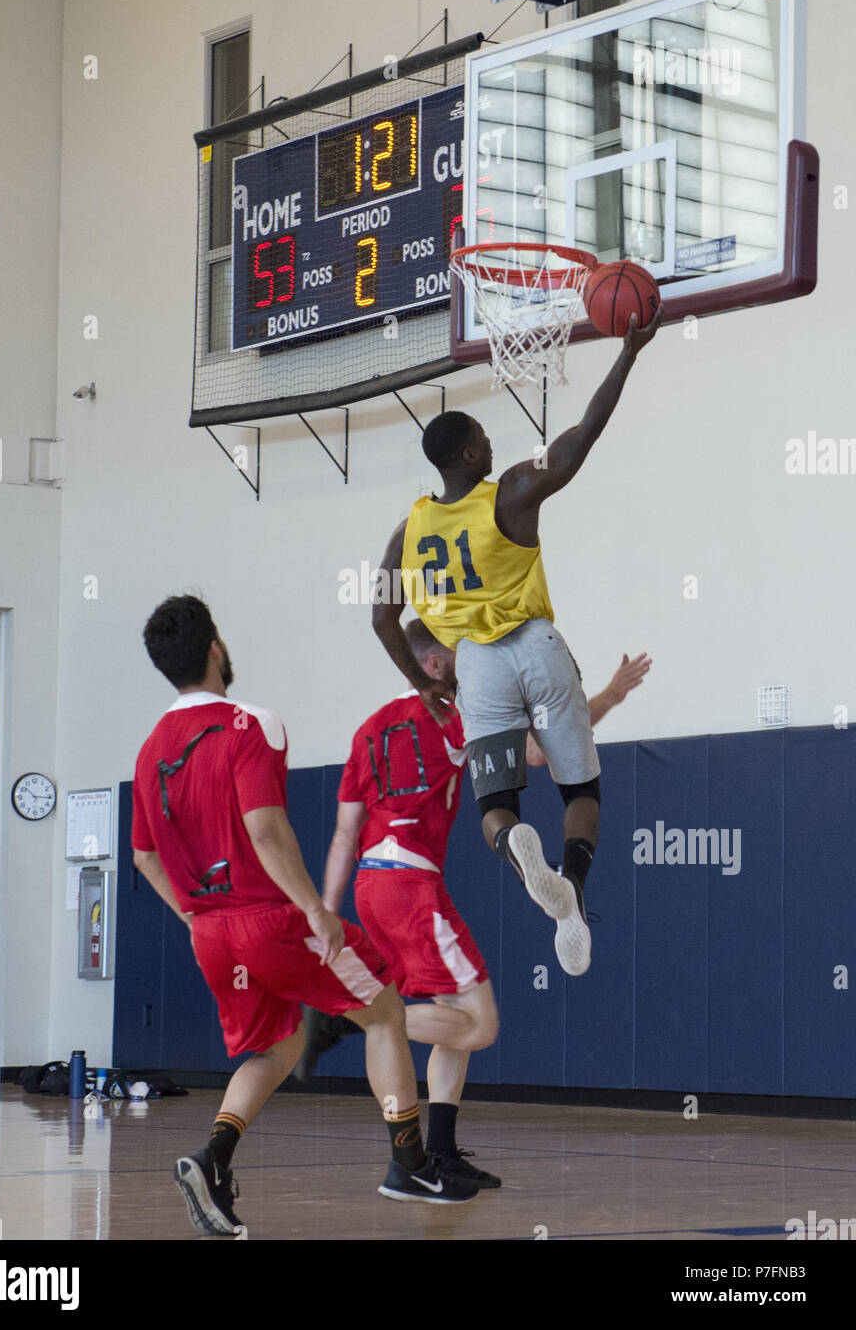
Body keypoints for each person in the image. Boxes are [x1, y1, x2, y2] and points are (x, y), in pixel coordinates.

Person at [131, 595, 479, 1236]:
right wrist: (314, 909)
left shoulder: (151, 747)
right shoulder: (251, 723)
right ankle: (408, 1164)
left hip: (210, 935)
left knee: (278, 1044)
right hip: (271, 920)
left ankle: (212, 1160)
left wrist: (191, 916)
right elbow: (265, 830)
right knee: (384, 1011)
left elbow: (144, 854)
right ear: (216, 648)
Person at [302, 620, 650, 1179]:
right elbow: (539, 753)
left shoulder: (368, 730)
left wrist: (326, 914)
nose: (472, 661)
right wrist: (608, 695)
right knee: (480, 1024)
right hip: (410, 884)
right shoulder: (452, 712)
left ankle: (438, 1150)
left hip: (371, 884)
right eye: (456, 651)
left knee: (454, 1021)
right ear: (434, 666)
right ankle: (350, 1017)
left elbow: (345, 833)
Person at [371, 311, 661, 974]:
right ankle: (575, 890)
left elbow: (383, 622)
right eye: (483, 439)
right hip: (534, 643)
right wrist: (630, 353)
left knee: (496, 805)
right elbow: (582, 437)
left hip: (475, 667)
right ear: (471, 454)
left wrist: (428, 687)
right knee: (580, 790)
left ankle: (528, 860)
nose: (491, 446)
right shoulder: (510, 496)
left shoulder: (408, 531)